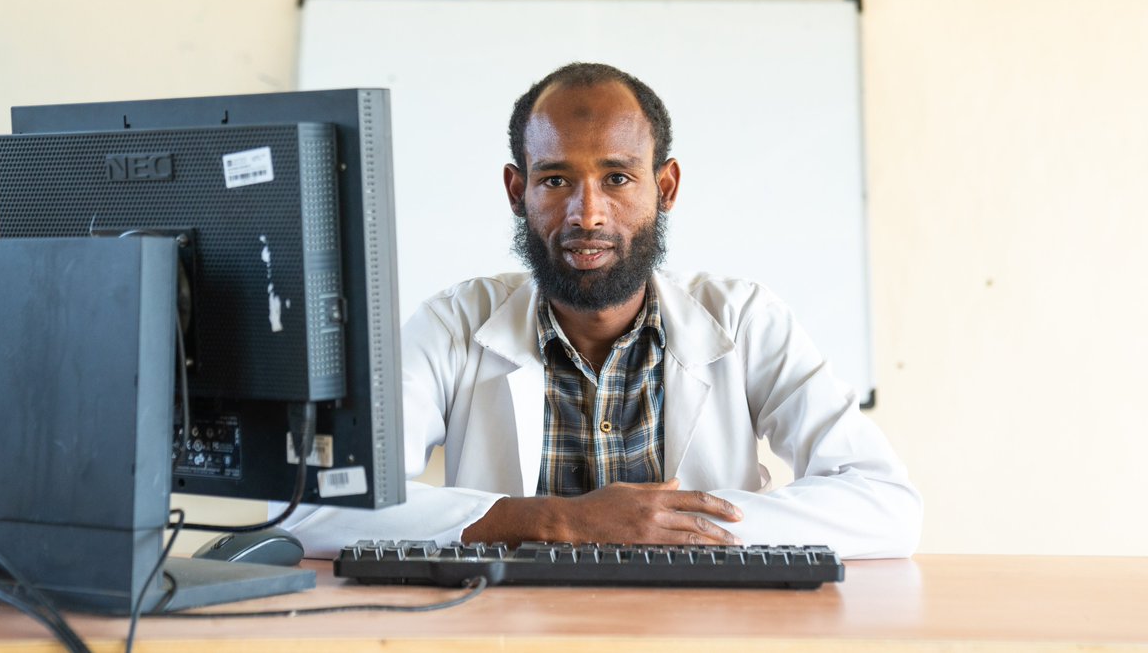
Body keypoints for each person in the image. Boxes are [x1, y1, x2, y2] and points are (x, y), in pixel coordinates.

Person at [286, 62, 922, 559]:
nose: (586, 214)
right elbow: (313, 507)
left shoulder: (744, 318)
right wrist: (560, 521)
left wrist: (671, 526)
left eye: (617, 179)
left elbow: (885, 502)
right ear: (518, 191)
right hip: (502, 634)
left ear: (664, 188)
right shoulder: (453, 323)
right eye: (555, 179)